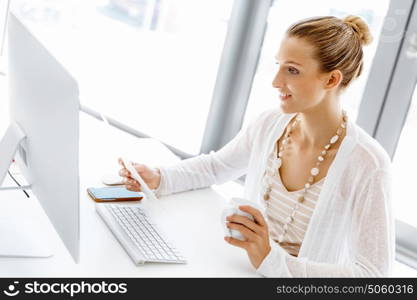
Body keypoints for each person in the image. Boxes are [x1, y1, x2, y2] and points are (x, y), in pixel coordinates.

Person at [118, 15, 394, 277]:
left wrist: (272, 261)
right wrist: (160, 177)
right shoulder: (271, 123)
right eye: (278, 65)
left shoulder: (367, 164)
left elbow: (373, 275)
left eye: (293, 70)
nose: (276, 82)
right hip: (239, 269)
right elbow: (217, 167)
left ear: (332, 80)